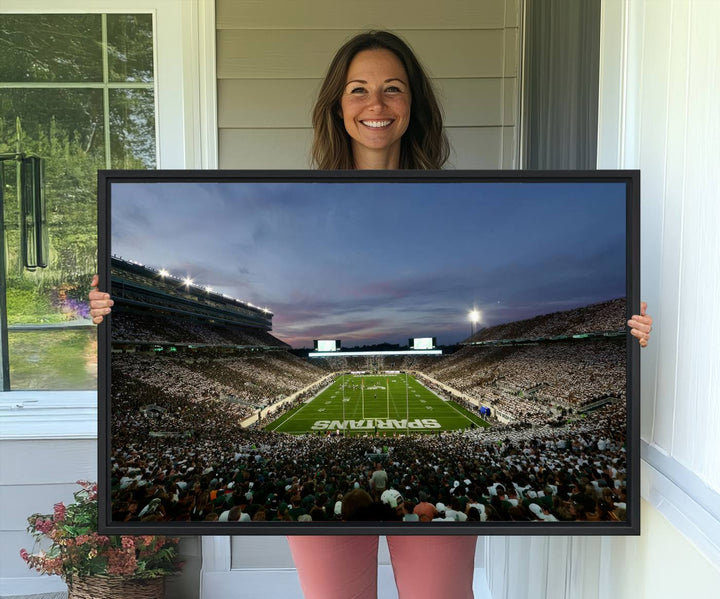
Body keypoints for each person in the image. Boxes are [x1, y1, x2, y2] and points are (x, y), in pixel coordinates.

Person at [89, 30, 653, 599]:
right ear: (337, 104)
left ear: (414, 104)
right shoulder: (305, 203)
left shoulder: (453, 199)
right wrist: (111, 312)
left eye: (393, 89)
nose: (376, 105)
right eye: (358, 89)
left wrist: (625, 338)